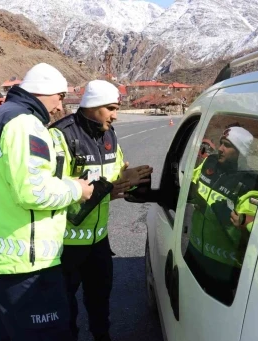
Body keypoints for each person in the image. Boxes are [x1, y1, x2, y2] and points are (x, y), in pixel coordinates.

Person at [0, 63, 93, 341]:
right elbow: (34, 192)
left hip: (0, 258)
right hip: (26, 262)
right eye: (60, 97)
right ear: (44, 91)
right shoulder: (26, 124)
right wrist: (76, 189)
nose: (60, 107)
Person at [49, 80, 153, 341]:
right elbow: (52, 189)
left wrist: (125, 177)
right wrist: (105, 188)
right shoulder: (61, 135)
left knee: (100, 298)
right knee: (65, 306)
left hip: (98, 240)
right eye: (111, 108)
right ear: (92, 106)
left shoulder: (110, 134)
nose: (115, 114)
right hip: (66, 243)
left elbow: (112, 175)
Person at [184, 125, 258, 305]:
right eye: (221, 143)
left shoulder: (251, 183)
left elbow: (248, 231)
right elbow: (191, 186)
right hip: (194, 250)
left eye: (227, 145)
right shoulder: (209, 163)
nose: (220, 148)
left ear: (240, 152)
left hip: (223, 265)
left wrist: (233, 219)